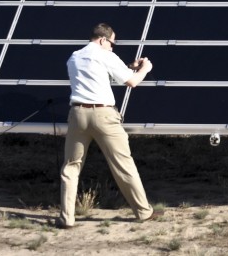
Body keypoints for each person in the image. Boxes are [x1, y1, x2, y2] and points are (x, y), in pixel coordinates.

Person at [57, 22, 160, 228]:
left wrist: (128, 67)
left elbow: (97, 78)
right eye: (112, 43)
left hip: (77, 114)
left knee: (71, 166)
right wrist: (145, 69)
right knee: (123, 163)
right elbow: (132, 82)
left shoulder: (74, 57)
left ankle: (66, 218)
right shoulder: (106, 55)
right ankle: (143, 212)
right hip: (104, 115)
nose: (113, 47)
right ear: (103, 39)